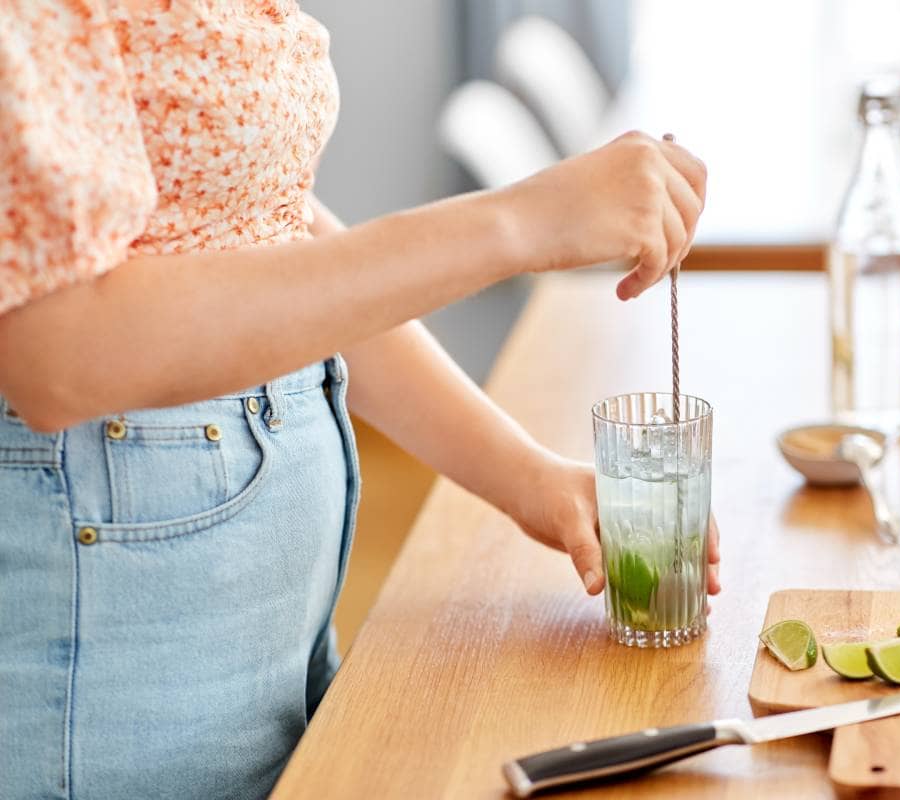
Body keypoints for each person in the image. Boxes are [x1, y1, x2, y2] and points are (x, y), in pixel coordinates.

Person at [0, 3, 718, 798]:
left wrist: (527, 476)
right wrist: (522, 221)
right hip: (108, 657)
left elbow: (267, 234)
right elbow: (59, 352)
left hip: (260, 628)